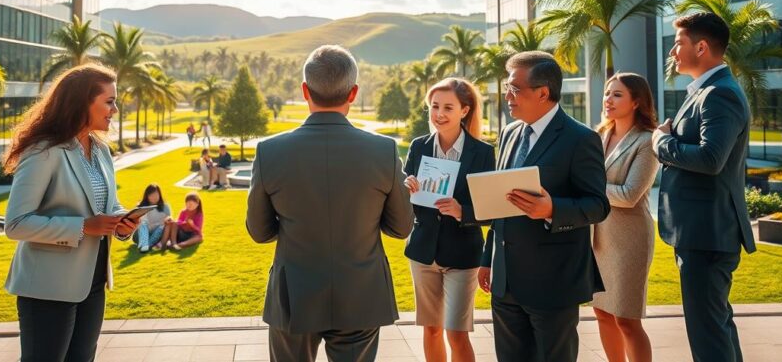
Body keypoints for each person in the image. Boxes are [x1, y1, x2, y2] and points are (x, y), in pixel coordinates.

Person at [246, 45, 413, 362]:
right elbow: (401, 227)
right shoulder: (383, 151)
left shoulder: (270, 152)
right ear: (353, 93)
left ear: (304, 90)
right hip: (360, 294)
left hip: (293, 295)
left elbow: (259, 231)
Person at [2, 64, 143, 361]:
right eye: (109, 101)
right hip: (48, 288)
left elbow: (106, 205)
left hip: (93, 283)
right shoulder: (43, 151)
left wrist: (122, 221)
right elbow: (15, 224)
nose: (115, 109)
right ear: (82, 102)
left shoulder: (101, 149)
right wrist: (83, 227)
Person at [479, 51, 609, 362]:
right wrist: (488, 259)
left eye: (514, 89)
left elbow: (598, 205)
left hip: (553, 283)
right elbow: (501, 204)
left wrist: (552, 210)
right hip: (505, 281)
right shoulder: (509, 133)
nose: (507, 96)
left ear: (543, 92)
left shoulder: (581, 139)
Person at [653, 12, 756, 362]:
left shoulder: (718, 94)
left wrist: (661, 143)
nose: (672, 53)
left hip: (708, 234)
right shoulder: (708, 91)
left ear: (701, 46)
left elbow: (712, 159)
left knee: (708, 334)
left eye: (678, 44)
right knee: (716, 327)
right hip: (701, 231)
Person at [402, 78, 496, 362]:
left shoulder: (482, 153)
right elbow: (404, 198)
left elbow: (491, 211)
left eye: (448, 107)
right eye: (434, 106)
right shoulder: (419, 147)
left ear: (464, 110)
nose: (439, 114)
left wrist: (462, 211)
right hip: (423, 252)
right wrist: (407, 186)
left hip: (462, 255)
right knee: (431, 330)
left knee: (456, 332)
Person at [592, 73, 660, 362]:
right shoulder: (598, 136)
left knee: (627, 320)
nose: (608, 99)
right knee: (602, 313)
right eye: (608, 93)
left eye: (617, 94)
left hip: (629, 240)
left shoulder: (647, 142)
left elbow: (630, 194)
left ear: (637, 102)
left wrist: (590, 188)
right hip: (598, 240)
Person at [135, 183, 173, 253]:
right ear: (147, 196)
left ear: (159, 195)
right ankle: (145, 244)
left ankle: (146, 246)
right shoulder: (141, 206)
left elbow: (170, 219)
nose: (154, 197)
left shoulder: (165, 206)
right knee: (142, 223)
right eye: (151, 195)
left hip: (157, 233)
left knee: (162, 227)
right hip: (141, 233)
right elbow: (138, 222)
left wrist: (168, 219)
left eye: (156, 194)